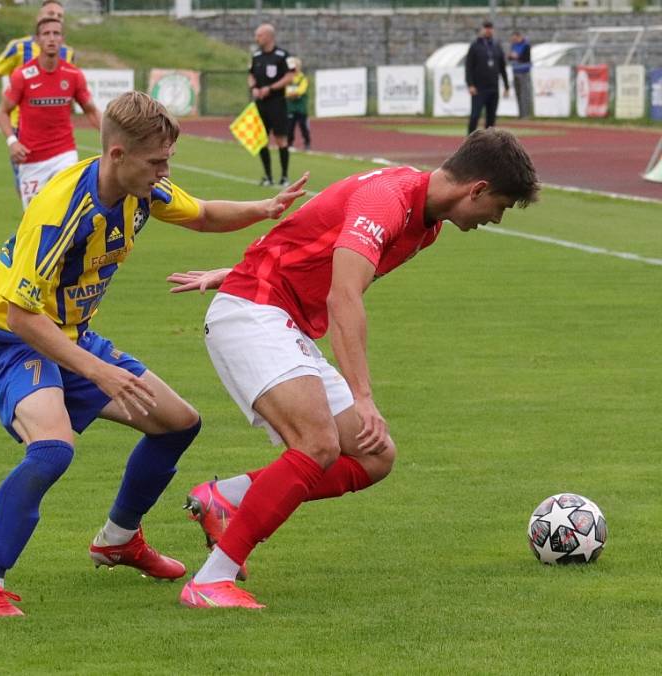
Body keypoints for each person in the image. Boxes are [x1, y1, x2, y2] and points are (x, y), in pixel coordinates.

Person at [0, 91, 308, 617]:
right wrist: (100, 372)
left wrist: (264, 208)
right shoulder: (61, 212)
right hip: (17, 343)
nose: (166, 172)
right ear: (118, 155)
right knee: (53, 451)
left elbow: (205, 214)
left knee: (178, 423)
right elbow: (20, 316)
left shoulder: (141, 188)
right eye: (158, 161)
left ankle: (118, 539)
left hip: (72, 336)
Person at [167, 128, 539, 609]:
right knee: (318, 443)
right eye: (501, 207)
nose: (496, 219)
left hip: (278, 317)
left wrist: (241, 267)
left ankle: (227, 497)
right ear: (478, 189)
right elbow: (344, 295)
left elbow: (317, 232)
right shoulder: (388, 199)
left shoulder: (426, 226)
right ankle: (210, 582)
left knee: (374, 456)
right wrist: (363, 396)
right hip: (254, 311)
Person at [0, 1, 75, 193]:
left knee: (62, 192)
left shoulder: (67, 53)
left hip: (56, 134)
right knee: (27, 191)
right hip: (22, 130)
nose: (55, 18)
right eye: (51, 13)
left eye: (60, 16)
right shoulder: (19, 48)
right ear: (39, 19)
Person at [0, 17, 100, 210]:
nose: (51, 38)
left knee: (67, 213)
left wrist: (114, 138)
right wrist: (12, 142)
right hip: (32, 160)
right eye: (46, 34)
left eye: (56, 33)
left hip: (64, 155)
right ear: (37, 40)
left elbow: (92, 112)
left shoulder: (73, 75)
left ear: (62, 39)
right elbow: (3, 111)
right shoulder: (22, 75)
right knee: (36, 221)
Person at [248, 23, 296, 187]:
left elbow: (291, 76)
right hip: (261, 104)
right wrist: (254, 87)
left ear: (268, 36)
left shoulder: (283, 55)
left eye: (259, 35)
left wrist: (271, 88)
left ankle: (284, 177)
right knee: (262, 139)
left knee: (281, 139)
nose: (257, 38)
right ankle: (268, 176)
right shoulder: (256, 56)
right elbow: (251, 76)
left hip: (277, 102)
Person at [465, 20, 509, 135]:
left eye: (490, 28)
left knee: (491, 119)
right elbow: (468, 67)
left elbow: (502, 67)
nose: (488, 30)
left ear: (493, 30)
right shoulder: (475, 46)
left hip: (493, 87)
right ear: (482, 30)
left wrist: (506, 86)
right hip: (479, 88)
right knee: (475, 116)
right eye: (486, 27)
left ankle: (489, 144)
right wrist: (470, 84)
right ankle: (469, 141)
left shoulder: (497, 46)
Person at [285, 57, 311, 152]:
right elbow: (285, 91)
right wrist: (291, 94)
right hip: (290, 107)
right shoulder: (287, 78)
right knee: (290, 126)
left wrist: (294, 94)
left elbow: (302, 90)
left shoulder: (303, 78)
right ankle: (290, 143)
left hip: (301, 107)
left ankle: (307, 143)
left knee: (303, 126)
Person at [508, 31, 532, 119]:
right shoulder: (513, 45)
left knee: (524, 94)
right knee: (518, 94)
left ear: (519, 37)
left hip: (524, 72)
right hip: (515, 71)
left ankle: (526, 115)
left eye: (515, 38)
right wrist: (513, 56)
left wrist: (516, 56)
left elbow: (525, 57)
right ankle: (520, 114)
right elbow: (510, 57)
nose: (513, 40)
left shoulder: (526, 45)